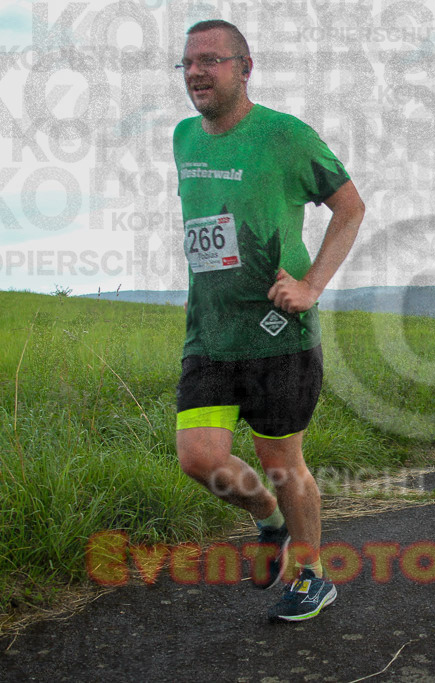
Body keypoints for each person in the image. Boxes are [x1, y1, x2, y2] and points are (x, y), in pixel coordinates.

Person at [172, 19, 364, 622]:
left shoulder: (285, 135)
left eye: (211, 60)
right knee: (198, 458)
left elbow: (351, 209)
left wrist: (311, 286)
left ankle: (313, 575)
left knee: (283, 462)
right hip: (210, 331)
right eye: (187, 63)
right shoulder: (183, 137)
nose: (197, 72)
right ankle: (268, 520)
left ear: (245, 67)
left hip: (279, 333)